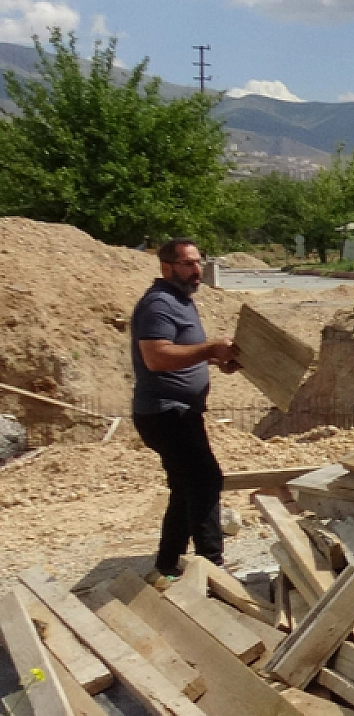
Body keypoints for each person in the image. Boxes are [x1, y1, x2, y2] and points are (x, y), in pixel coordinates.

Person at [131, 238, 241, 579]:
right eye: (188, 264)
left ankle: (168, 564)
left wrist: (213, 357)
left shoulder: (181, 302)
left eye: (198, 262)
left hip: (180, 412)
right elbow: (156, 356)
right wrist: (209, 348)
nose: (197, 271)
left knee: (186, 485)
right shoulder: (158, 305)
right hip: (165, 412)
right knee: (206, 479)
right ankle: (212, 566)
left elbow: (183, 350)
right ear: (167, 267)